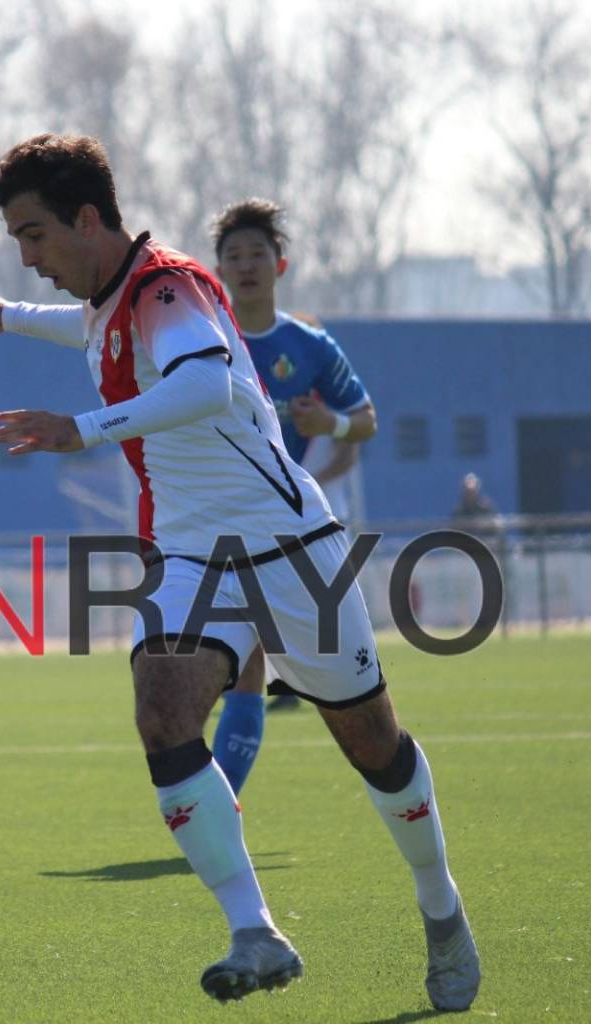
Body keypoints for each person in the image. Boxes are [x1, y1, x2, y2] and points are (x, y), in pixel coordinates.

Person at [0, 134, 478, 1010]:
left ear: (86, 217)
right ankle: (253, 930)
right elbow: (91, 329)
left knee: (373, 747)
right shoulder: (116, 300)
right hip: (192, 554)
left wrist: (83, 427)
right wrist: (6, 316)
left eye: (33, 236)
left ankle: (441, 907)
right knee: (161, 709)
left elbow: (208, 385)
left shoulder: (168, 287)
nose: (27, 259)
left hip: (291, 550)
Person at [210, 199, 379, 782]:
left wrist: (326, 425)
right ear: (219, 271)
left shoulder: (309, 346)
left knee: (251, 664)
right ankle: (212, 805)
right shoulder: (204, 339)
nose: (247, 264)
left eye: (259, 253)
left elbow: (365, 420)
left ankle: (216, 807)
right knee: (214, 666)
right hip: (203, 519)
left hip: (280, 526)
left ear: (280, 265)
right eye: (235, 255)